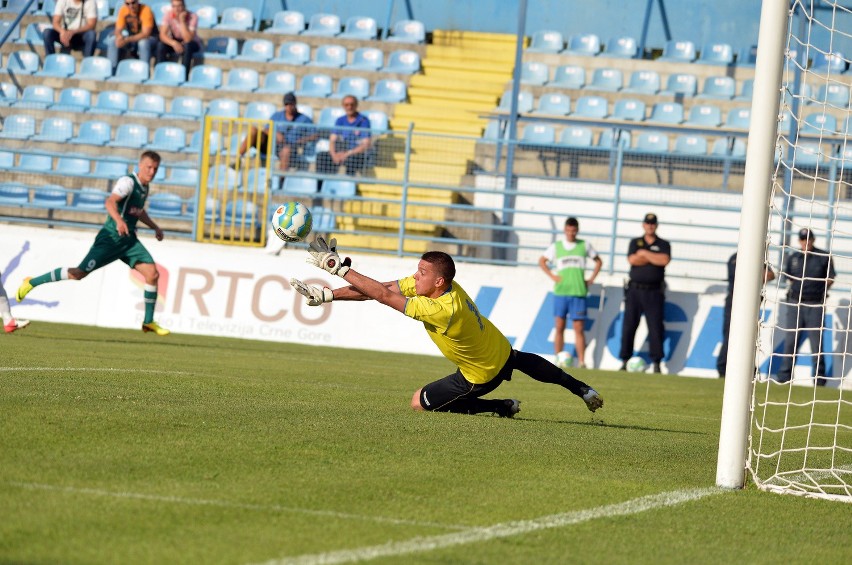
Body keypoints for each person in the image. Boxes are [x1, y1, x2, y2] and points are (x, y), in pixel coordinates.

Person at [289, 239, 604, 417]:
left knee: (419, 402)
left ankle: (498, 406)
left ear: (438, 280)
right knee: (522, 360)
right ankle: (582, 389)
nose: (415, 276)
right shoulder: (442, 288)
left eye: (422, 272)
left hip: (479, 373)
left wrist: (339, 268)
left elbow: (383, 296)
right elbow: (381, 287)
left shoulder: (441, 309)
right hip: (498, 346)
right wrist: (329, 294)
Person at [16, 151, 170, 336]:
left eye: (155, 168)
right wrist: (119, 221)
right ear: (140, 164)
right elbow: (110, 202)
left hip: (128, 242)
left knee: (152, 274)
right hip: (111, 238)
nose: (152, 171)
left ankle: (148, 322)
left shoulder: (145, 187)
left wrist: (155, 227)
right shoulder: (128, 182)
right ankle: (31, 282)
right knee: (78, 273)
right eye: (149, 167)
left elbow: (138, 211)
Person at [538, 217, 602, 369]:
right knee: (559, 326)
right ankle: (558, 358)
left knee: (579, 329)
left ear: (577, 230)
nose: (571, 234)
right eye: (568, 230)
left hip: (578, 292)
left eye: (574, 231)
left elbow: (598, 261)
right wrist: (552, 275)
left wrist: (591, 278)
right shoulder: (557, 246)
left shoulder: (584, 245)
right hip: (561, 293)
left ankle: (581, 361)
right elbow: (542, 260)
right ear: (565, 230)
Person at [775, 228, 836, 385]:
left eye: (809, 239)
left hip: (815, 303)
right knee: (790, 341)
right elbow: (789, 278)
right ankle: (784, 376)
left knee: (816, 343)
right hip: (795, 303)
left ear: (813, 240)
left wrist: (819, 290)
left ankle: (819, 379)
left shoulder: (823, 257)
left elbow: (830, 278)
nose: (806, 242)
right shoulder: (794, 257)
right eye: (803, 239)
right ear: (799, 241)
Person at [619, 213, 671, 374]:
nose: (650, 226)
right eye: (647, 223)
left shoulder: (663, 243)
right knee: (629, 326)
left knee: (655, 328)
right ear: (643, 225)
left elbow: (664, 260)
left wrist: (644, 254)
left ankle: (656, 363)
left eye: (652, 223)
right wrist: (651, 257)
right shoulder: (635, 242)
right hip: (635, 290)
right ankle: (625, 360)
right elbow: (633, 260)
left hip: (654, 291)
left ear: (656, 225)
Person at [717, 251, 775, 378]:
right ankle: (723, 367)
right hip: (735, 301)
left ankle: (749, 368)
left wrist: (756, 275)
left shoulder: (758, 256)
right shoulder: (735, 258)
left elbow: (771, 275)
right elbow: (743, 278)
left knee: (749, 335)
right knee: (730, 335)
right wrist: (757, 274)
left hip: (752, 302)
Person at [237, 92, 317, 172]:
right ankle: (238, 159)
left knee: (286, 151)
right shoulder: (277, 116)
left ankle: (281, 181)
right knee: (253, 130)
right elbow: (266, 129)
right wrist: (275, 133)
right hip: (272, 145)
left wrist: (300, 141)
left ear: (295, 104)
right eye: (286, 104)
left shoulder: (304, 119)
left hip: (290, 147)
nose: (289, 107)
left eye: (291, 104)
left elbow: (315, 134)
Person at [316, 95, 372, 176]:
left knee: (352, 160)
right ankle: (322, 185)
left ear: (356, 105)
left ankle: (348, 185)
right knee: (322, 156)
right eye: (346, 105)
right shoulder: (340, 120)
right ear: (343, 106)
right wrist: (333, 154)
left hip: (354, 154)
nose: (349, 107)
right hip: (340, 152)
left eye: (352, 104)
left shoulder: (363, 121)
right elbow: (332, 140)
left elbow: (365, 144)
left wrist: (347, 154)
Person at [155, 0, 203, 80]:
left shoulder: (193, 16)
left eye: (179, 6)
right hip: (176, 40)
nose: (177, 9)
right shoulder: (168, 15)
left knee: (187, 46)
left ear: (184, 6)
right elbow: (162, 35)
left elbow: (188, 39)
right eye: (174, 6)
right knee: (161, 45)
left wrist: (182, 21)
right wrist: (173, 43)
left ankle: (183, 77)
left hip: (192, 43)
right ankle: (160, 74)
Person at [106, 0, 158, 73]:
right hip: (132, 38)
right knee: (113, 40)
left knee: (142, 43)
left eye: (133, 3)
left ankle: (144, 72)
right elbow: (118, 29)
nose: (131, 6)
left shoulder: (146, 10)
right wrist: (119, 37)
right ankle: (111, 71)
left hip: (150, 38)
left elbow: (146, 33)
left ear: (137, 2)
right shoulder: (123, 10)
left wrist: (127, 40)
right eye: (128, 3)